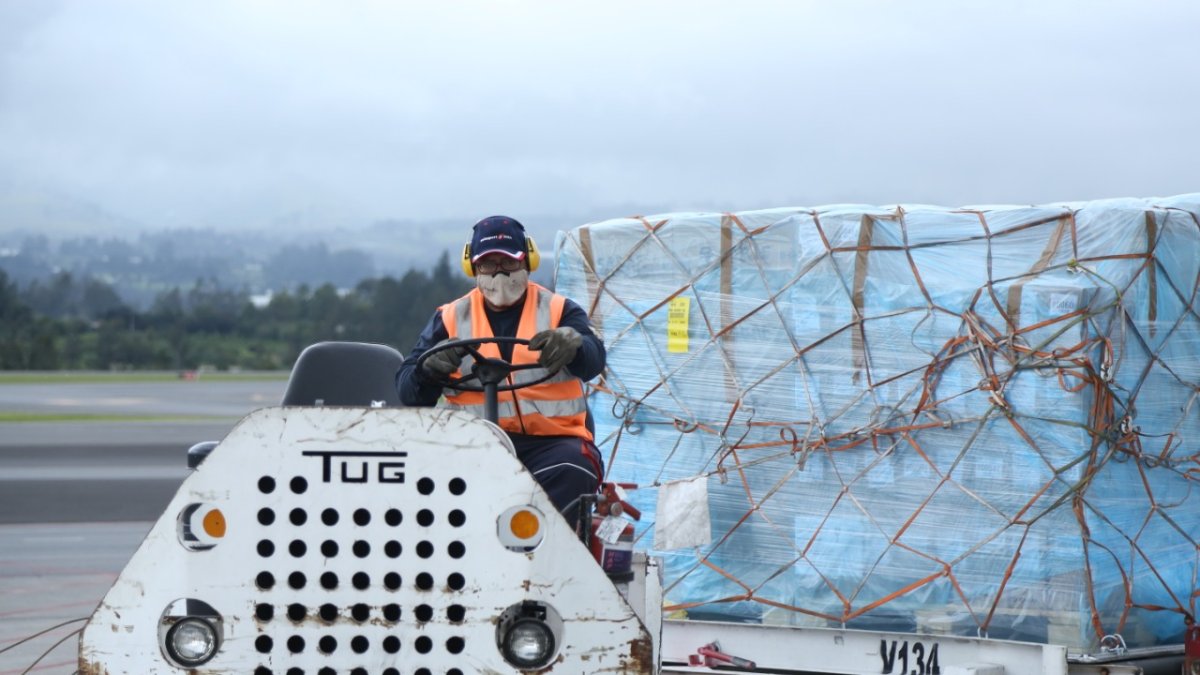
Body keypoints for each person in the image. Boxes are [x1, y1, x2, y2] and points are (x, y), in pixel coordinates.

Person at [395, 215, 605, 527]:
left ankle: (550, 565)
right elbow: (409, 394)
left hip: (552, 442)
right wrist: (429, 369)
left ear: (527, 261)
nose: (499, 274)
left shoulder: (560, 310)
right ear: (473, 268)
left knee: (573, 470)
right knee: (427, 475)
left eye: (508, 262)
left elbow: (594, 361)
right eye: (488, 265)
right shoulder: (450, 318)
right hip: (474, 442)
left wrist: (575, 344)